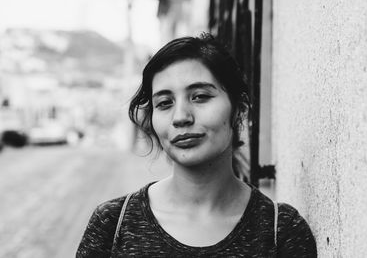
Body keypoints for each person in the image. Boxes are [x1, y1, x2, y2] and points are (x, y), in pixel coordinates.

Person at [76, 33, 317, 257]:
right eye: (164, 103)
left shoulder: (281, 231)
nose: (180, 116)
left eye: (200, 96)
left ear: (239, 110)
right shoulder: (113, 224)